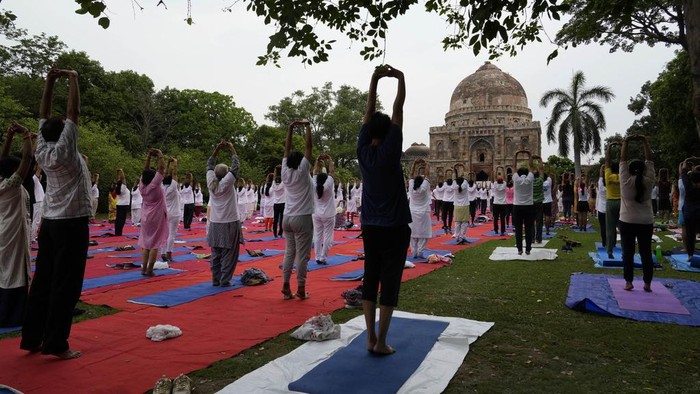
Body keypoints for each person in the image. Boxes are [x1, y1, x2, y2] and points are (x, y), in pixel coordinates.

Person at [21, 69, 90, 359]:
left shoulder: (41, 149)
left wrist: (49, 82)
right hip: (71, 224)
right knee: (66, 283)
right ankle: (56, 343)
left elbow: (45, 112)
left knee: (43, 281)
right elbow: (73, 111)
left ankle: (32, 338)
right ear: (63, 133)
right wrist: (73, 78)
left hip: (49, 223)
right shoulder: (64, 148)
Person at [357, 65, 411, 355]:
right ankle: (381, 341)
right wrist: (400, 78)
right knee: (389, 280)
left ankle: (369, 337)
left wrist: (374, 81)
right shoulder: (391, 151)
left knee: (370, 275)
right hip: (395, 225)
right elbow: (398, 111)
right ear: (388, 130)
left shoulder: (363, 153)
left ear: (369, 132)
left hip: (371, 225)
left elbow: (369, 115)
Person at [0, 122, 34, 328]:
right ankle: (12, 313)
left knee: (4, 270)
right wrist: (26, 134)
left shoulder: (2, 181)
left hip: (4, 229)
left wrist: (9, 137)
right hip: (12, 232)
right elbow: (28, 159)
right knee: (15, 270)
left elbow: (2, 160)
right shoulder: (11, 185)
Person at [281, 119, 314, 300]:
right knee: (302, 256)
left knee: (289, 252)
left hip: (287, 217)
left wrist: (290, 129)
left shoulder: (285, 172)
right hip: (302, 217)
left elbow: (287, 149)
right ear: (301, 161)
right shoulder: (302, 170)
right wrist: (308, 127)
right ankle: (300, 288)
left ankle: (286, 285)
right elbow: (309, 147)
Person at [619, 135, 655, 292]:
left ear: (629, 170)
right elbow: (650, 160)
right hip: (646, 221)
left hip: (627, 220)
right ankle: (647, 283)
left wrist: (625, 142)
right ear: (644, 170)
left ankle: (629, 282)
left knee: (628, 252)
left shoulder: (625, 180)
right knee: (646, 252)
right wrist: (645, 141)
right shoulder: (649, 180)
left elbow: (622, 159)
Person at [206, 141, 242, 286]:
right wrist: (232, 148)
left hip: (215, 222)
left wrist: (217, 149)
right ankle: (225, 280)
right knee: (229, 253)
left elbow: (209, 164)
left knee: (216, 253)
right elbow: (236, 166)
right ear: (226, 173)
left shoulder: (211, 181)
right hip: (229, 222)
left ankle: (216, 278)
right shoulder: (227, 182)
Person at [137, 149, 168, 276]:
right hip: (157, 217)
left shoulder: (142, 186)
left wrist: (149, 157)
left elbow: (145, 171)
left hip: (145, 217)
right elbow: (161, 169)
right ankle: (149, 269)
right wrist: (160, 155)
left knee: (146, 244)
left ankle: (143, 269)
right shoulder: (154, 185)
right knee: (155, 244)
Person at [312, 154, 337, 265]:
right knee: (327, 237)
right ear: (326, 179)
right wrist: (330, 159)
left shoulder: (314, 184)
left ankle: (317, 257)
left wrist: (317, 159)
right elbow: (332, 172)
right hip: (329, 215)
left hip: (316, 214)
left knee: (317, 236)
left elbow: (314, 171)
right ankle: (323, 257)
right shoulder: (328, 185)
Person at [408, 159, 433, 255]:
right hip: (423, 213)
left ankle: (414, 251)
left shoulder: (411, 187)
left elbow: (410, 175)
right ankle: (420, 251)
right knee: (423, 233)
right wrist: (426, 163)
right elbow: (427, 175)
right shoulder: (424, 187)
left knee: (413, 234)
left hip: (412, 213)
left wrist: (414, 163)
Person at [512, 151, 534, 255]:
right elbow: (531, 167)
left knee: (518, 229)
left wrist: (516, 155)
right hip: (529, 207)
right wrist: (529, 156)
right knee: (528, 228)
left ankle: (520, 249)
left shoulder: (516, 179)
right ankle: (528, 249)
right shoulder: (530, 178)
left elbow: (513, 167)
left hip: (517, 207)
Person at [680, 158, 700, 262]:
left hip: (689, 213)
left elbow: (683, 172)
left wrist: (686, 160)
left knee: (690, 235)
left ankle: (690, 255)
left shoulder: (688, 186)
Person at [605, 142, 622, 258]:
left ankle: (610, 251)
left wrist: (609, 147)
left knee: (610, 229)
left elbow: (607, 161)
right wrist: (621, 147)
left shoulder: (608, 176)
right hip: (622, 203)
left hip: (610, 202)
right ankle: (624, 252)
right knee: (623, 229)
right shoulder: (623, 176)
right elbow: (623, 161)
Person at [162, 157, 181, 262]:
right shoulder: (173, 188)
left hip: (164, 213)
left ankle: (163, 252)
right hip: (174, 214)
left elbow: (164, 175)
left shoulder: (161, 187)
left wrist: (168, 164)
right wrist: (175, 163)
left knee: (164, 234)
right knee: (172, 234)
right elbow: (175, 175)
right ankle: (169, 253)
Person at [451, 165, 470, 245]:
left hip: (457, 206)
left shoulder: (454, 185)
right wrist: (464, 167)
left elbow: (453, 179)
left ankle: (457, 237)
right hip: (465, 206)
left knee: (457, 223)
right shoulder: (465, 185)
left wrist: (454, 170)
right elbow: (465, 176)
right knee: (464, 222)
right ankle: (463, 237)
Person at [531, 155, 544, 243]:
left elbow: (530, 168)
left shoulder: (530, 181)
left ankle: (532, 238)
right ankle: (538, 238)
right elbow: (541, 170)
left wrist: (531, 159)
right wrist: (540, 160)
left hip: (531, 203)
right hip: (539, 203)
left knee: (531, 221)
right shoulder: (540, 181)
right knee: (539, 221)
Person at [113, 169, 129, 236]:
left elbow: (118, 180)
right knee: (121, 220)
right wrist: (122, 171)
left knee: (118, 219)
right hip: (124, 205)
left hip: (119, 204)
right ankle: (119, 233)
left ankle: (117, 232)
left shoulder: (118, 188)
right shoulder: (123, 187)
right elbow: (123, 178)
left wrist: (117, 173)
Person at [31, 165, 45, 239]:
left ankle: (33, 236)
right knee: (36, 221)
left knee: (38, 221)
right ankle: (32, 237)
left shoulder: (36, 180)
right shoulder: (34, 178)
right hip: (38, 202)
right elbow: (39, 170)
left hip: (39, 201)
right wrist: (40, 162)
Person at [272, 166, 285, 238]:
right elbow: (284, 178)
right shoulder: (283, 184)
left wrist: (275, 171)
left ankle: (274, 232)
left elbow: (274, 179)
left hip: (275, 203)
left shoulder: (274, 184)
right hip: (283, 202)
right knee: (282, 219)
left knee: (275, 219)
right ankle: (280, 232)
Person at [597, 166, 608, 247]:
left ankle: (604, 242)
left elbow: (600, 178)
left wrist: (601, 169)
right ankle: (613, 242)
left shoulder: (601, 187)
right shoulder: (610, 189)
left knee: (603, 227)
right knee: (611, 227)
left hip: (601, 209)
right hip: (609, 209)